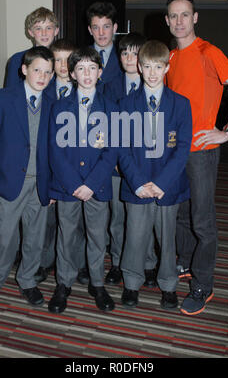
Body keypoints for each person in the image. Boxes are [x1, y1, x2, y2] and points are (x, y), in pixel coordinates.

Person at [165, 0, 228, 315]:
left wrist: (226, 130)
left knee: (203, 221)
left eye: (184, 15)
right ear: (167, 21)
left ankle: (204, 284)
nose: (179, 21)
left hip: (202, 151)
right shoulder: (171, 59)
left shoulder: (208, 52)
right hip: (175, 151)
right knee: (180, 215)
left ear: (195, 18)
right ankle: (187, 263)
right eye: (173, 16)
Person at [0, 47, 55, 306]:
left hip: (40, 184)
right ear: (24, 70)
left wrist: (51, 187)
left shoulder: (52, 103)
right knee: (6, 236)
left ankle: (28, 279)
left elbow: (53, 149)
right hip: (9, 182)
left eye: (48, 72)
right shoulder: (3, 98)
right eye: (37, 70)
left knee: (35, 236)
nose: (42, 76)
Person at [118, 40, 192, 310]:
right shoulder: (125, 104)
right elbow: (121, 148)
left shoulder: (181, 104)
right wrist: (138, 183)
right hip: (137, 184)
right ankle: (132, 282)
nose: (151, 73)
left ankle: (169, 284)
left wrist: (161, 183)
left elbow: (183, 148)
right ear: (138, 67)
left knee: (167, 238)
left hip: (167, 185)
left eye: (157, 67)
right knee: (135, 237)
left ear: (167, 67)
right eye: (146, 66)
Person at [48, 46, 118, 314]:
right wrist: (73, 182)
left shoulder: (111, 108)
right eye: (80, 68)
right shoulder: (59, 107)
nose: (86, 74)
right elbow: (54, 149)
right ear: (73, 74)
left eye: (92, 68)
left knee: (97, 235)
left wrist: (90, 184)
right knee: (66, 236)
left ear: (100, 72)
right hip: (67, 186)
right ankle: (63, 283)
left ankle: (97, 284)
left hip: (97, 186)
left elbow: (112, 150)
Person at [103, 32, 158, 288]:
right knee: (118, 217)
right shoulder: (109, 86)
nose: (129, 58)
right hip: (116, 166)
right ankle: (117, 262)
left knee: (143, 217)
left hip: (145, 166)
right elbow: (105, 127)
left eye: (135, 53)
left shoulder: (156, 86)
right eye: (124, 52)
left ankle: (148, 262)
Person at [35, 39, 89, 285]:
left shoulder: (86, 91)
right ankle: (44, 262)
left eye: (69, 59)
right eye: (57, 59)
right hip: (47, 166)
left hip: (75, 169)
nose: (63, 65)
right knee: (46, 221)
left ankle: (77, 263)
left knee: (74, 222)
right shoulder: (42, 90)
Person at [5, 7, 59, 87]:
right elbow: (10, 93)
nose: (44, 33)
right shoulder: (17, 59)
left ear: (56, 31)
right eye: (38, 28)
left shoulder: (62, 60)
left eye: (48, 28)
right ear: (31, 32)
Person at [86, 1, 123, 91]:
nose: (101, 33)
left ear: (114, 28)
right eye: (96, 27)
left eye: (106, 26)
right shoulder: (80, 56)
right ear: (90, 30)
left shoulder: (124, 57)